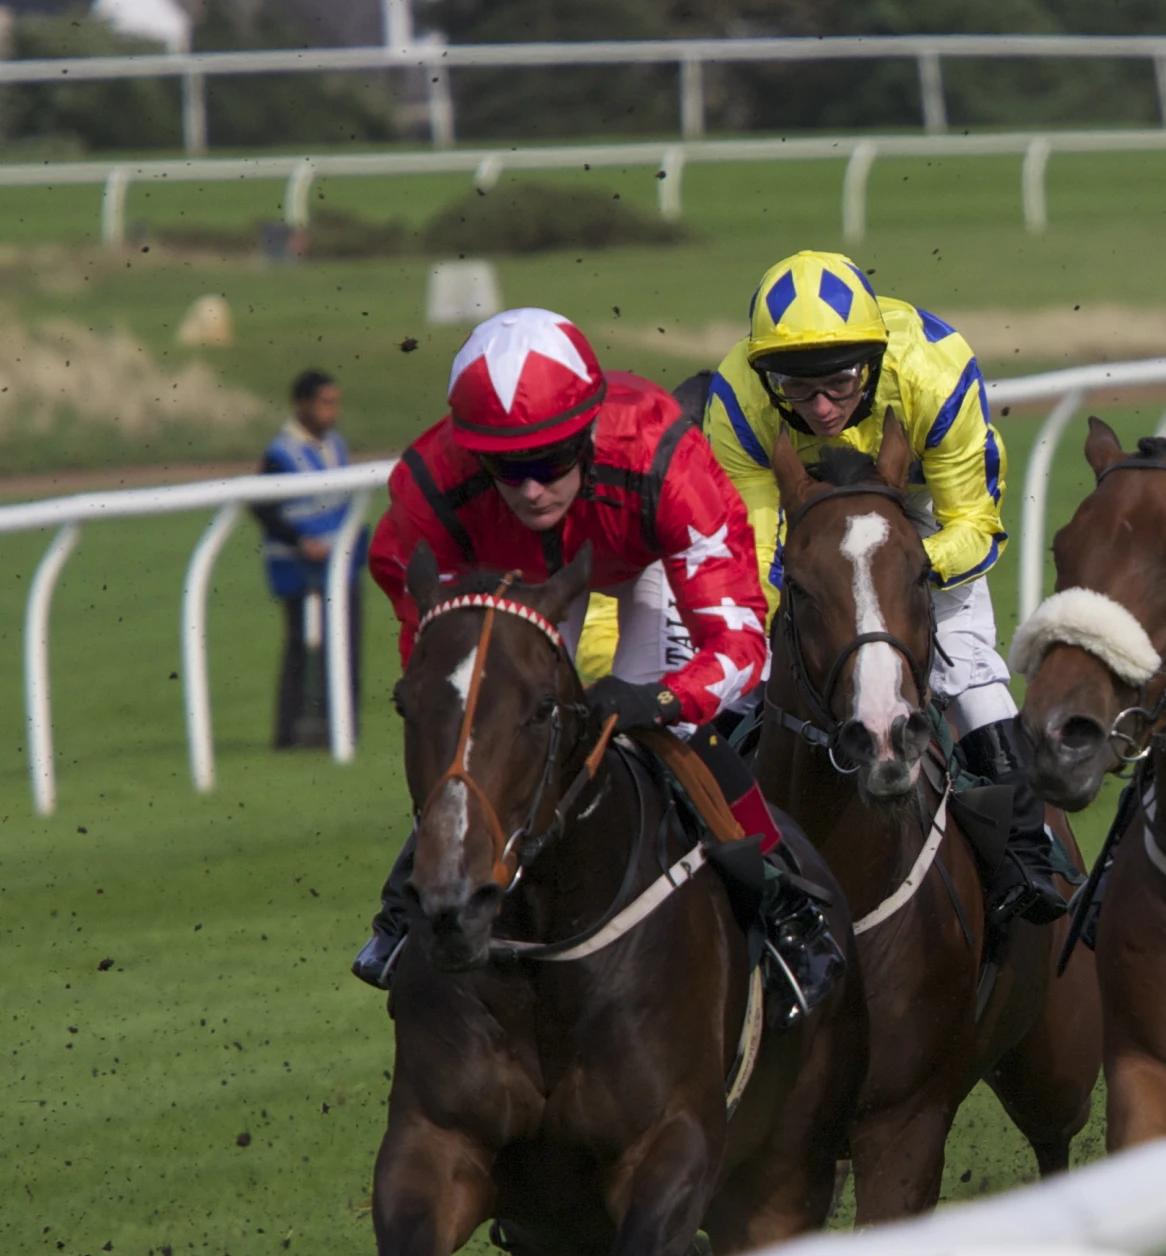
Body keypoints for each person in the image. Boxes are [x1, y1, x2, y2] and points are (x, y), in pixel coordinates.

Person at [351, 307, 843, 1011]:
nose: (529, 489)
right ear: (473, 454)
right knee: (479, 727)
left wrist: (664, 699)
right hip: (507, 574)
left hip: (641, 556)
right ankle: (410, 900)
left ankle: (782, 903)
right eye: (506, 468)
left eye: (549, 463)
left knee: (670, 732)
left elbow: (738, 644)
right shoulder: (431, 487)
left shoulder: (665, 459)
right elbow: (431, 660)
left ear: (584, 437)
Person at [700, 249, 1066, 930]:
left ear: (872, 362)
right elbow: (748, 555)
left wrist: (892, 572)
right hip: (802, 531)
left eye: (839, 383)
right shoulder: (740, 398)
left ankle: (1025, 855)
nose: (820, 405)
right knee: (733, 682)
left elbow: (975, 525)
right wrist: (830, 590)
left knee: (969, 666)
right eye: (797, 388)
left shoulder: (934, 371)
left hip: (917, 520)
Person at [252, 370, 361, 750]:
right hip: (297, 567)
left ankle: (342, 728)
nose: (332, 411)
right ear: (302, 404)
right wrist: (301, 541)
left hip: (339, 564)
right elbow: (261, 508)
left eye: (335, 402)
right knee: (300, 648)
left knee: (346, 646)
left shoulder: (336, 446)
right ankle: (290, 733)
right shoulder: (280, 453)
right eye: (324, 402)